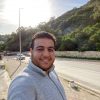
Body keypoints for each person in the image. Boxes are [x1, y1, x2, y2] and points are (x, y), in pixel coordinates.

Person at [7, 31, 67, 100]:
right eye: (40, 49)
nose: (46, 55)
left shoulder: (52, 72)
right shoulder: (23, 84)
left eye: (50, 49)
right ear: (31, 51)